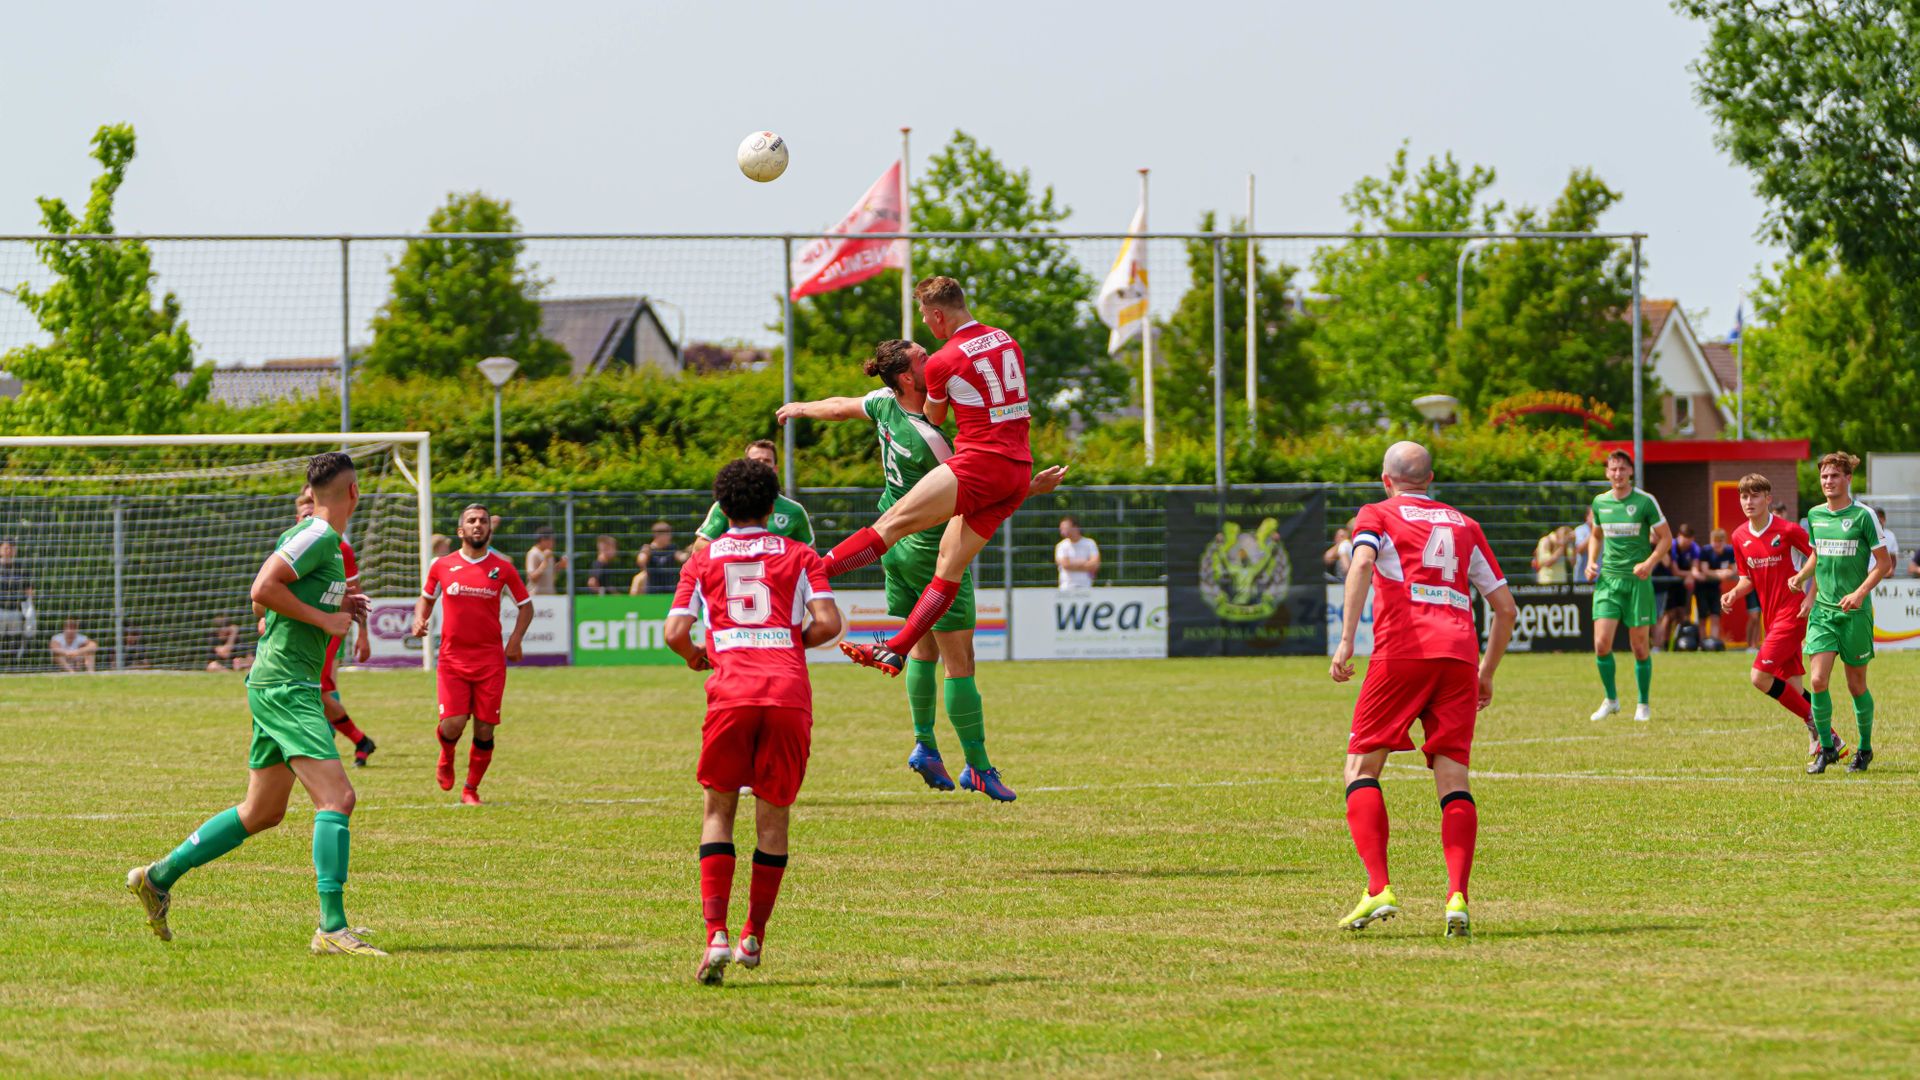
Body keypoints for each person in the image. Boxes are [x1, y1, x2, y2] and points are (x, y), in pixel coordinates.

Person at [775, 342, 1066, 801]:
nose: (934, 362)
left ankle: (925, 745)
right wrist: (1032, 487)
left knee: (924, 652)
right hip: (931, 549)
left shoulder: (882, 403)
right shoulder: (934, 439)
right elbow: (979, 493)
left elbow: (838, 407)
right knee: (960, 663)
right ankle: (978, 765)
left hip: (895, 552)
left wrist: (798, 408)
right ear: (910, 379)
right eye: (924, 360)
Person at [124, 452, 381, 956]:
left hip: (280, 682)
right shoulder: (320, 536)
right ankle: (332, 928)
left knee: (261, 811)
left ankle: (157, 877)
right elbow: (261, 590)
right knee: (338, 799)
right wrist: (325, 620)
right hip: (287, 684)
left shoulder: (310, 535)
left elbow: (270, 603)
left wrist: (335, 606)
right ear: (353, 492)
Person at [1329, 441, 1516, 939]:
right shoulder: (1464, 524)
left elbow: (1363, 565)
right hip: (1459, 656)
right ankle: (1457, 895)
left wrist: (1347, 640)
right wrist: (1487, 673)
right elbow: (1505, 608)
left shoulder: (1376, 513)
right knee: (1454, 777)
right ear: (1430, 479)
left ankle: (1378, 888)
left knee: (1360, 766)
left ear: (1385, 479)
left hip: (1402, 651)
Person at [665, 458, 842, 984]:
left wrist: (699, 656)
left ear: (722, 508)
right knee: (774, 817)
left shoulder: (702, 560)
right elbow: (829, 623)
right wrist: (789, 643)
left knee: (718, 807)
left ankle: (715, 933)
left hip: (731, 691)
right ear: (773, 506)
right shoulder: (801, 554)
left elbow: (676, 632)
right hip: (788, 692)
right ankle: (752, 937)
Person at [820, 277, 1038, 677]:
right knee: (948, 567)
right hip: (1018, 469)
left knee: (891, 523)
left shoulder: (943, 360)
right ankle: (897, 648)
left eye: (924, 315)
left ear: (938, 314)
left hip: (980, 463)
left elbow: (934, 416)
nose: (925, 324)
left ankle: (806, 573)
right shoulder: (1006, 340)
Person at [413, 504, 534, 805]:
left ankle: (471, 789)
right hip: (452, 659)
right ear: (460, 530)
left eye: (482, 521)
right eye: (471, 521)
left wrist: (515, 640)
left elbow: (526, 606)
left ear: (489, 529)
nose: (477, 525)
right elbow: (425, 599)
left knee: (484, 728)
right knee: (453, 723)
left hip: (490, 660)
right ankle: (447, 754)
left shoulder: (503, 567)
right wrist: (419, 618)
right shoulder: (442, 565)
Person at [1719, 474, 1840, 763]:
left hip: (1793, 612)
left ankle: (1824, 733)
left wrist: (1811, 597)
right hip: (1771, 617)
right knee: (1794, 688)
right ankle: (1827, 738)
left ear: (1768, 499)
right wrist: (1735, 593)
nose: (1749, 502)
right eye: (1744, 496)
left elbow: (1820, 558)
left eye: (1755, 496)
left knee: (1760, 676)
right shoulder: (1738, 536)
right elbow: (1746, 578)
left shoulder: (1787, 530)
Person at [1793, 452, 1892, 774]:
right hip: (1823, 611)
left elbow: (1884, 564)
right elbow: (1816, 555)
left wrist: (1859, 593)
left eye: (1834, 476)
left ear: (1848, 478)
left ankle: (1864, 749)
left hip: (1855, 612)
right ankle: (1826, 748)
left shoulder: (1864, 516)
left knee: (1855, 686)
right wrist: (1802, 576)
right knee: (1818, 680)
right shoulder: (1815, 515)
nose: (1828, 481)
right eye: (1824, 476)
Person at [1584, 450, 1670, 722]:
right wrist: (1590, 561)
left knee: (1640, 647)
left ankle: (1643, 704)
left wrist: (1649, 563)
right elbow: (1596, 536)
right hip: (1608, 580)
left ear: (1630, 471)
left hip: (1638, 582)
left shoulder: (1645, 502)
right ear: (1607, 473)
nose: (1618, 474)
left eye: (1622, 469)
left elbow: (1666, 539)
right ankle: (1611, 700)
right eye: (1613, 469)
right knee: (1601, 643)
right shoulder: (1600, 503)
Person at [295, 486, 377, 767]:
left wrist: (363, 634)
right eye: (302, 514)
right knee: (317, 690)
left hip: (327, 629)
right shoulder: (291, 542)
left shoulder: (339, 546)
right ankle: (358, 740)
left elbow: (355, 592)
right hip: (300, 629)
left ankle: (332, 740)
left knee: (316, 688)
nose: (307, 518)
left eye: (311, 512)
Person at [692, 440, 814, 554]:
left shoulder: (794, 510)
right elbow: (699, 546)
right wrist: (741, 554)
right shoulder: (728, 503)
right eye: (755, 460)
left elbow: (811, 555)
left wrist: (779, 557)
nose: (761, 464)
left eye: (767, 461)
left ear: (775, 469)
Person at [1656, 523, 1702, 650]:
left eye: (1689, 539)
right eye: (1684, 538)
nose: (1686, 542)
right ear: (1679, 536)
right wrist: (1690, 575)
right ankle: (1663, 645)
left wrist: (1690, 575)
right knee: (1668, 615)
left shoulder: (1694, 548)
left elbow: (1695, 568)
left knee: (1681, 614)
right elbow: (1675, 571)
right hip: (1669, 584)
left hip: (1682, 586)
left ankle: (1678, 644)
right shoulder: (1673, 545)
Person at [1698, 528, 1738, 643]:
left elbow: (1734, 569)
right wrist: (1721, 573)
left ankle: (1713, 642)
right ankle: (1702, 643)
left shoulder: (1729, 551)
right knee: (1702, 617)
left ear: (1724, 541)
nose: (1717, 544)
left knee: (1715, 615)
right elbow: (1705, 570)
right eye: (1714, 542)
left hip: (1716, 588)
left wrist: (1726, 573)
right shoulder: (1705, 551)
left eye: (1719, 542)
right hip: (1702, 587)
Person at [0, 539, 33, 666]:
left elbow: (29, 590)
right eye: (6, 548)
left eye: (12, 548)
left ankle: (12, 665)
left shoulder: (21, 569)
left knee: (14, 638)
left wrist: (29, 607)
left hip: (15, 610)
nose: (9, 551)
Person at [632, 521, 689, 595]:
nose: (670, 537)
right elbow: (640, 561)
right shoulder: (648, 549)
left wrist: (689, 552)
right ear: (658, 535)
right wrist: (645, 553)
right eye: (667, 534)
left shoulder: (672, 548)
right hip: (653, 590)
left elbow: (682, 558)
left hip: (671, 590)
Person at [1054, 516, 1100, 591]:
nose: (1063, 532)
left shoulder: (1090, 543)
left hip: (1086, 587)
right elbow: (1065, 565)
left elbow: (1095, 564)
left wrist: (1071, 564)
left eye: (1066, 528)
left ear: (1076, 528)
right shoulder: (1061, 546)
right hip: (1066, 588)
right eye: (1061, 529)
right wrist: (1084, 562)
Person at [524, 525, 564, 595]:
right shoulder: (533, 553)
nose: (554, 543)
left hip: (549, 596)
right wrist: (545, 560)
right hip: (537, 596)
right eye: (552, 540)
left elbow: (549, 575)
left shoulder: (548, 553)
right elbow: (532, 578)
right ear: (543, 539)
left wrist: (560, 566)